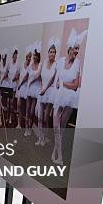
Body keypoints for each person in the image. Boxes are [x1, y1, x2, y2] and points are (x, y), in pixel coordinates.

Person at [51, 29, 86, 164]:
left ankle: (58, 156)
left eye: (78, 49)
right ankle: (56, 153)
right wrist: (59, 85)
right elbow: (56, 80)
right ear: (70, 48)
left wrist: (63, 83)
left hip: (71, 98)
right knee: (56, 127)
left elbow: (76, 85)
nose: (77, 51)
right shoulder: (60, 62)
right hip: (59, 97)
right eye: (76, 48)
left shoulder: (77, 63)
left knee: (62, 128)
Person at [36, 39, 58, 146]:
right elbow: (40, 77)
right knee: (39, 117)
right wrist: (41, 87)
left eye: (54, 52)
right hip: (42, 92)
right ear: (48, 53)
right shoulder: (44, 62)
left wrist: (44, 89)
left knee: (45, 118)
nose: (52, 54)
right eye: (51, 51)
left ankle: (45, 137)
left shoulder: (56, 65)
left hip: (49, 93)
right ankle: (40, 138)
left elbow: (52, 80)